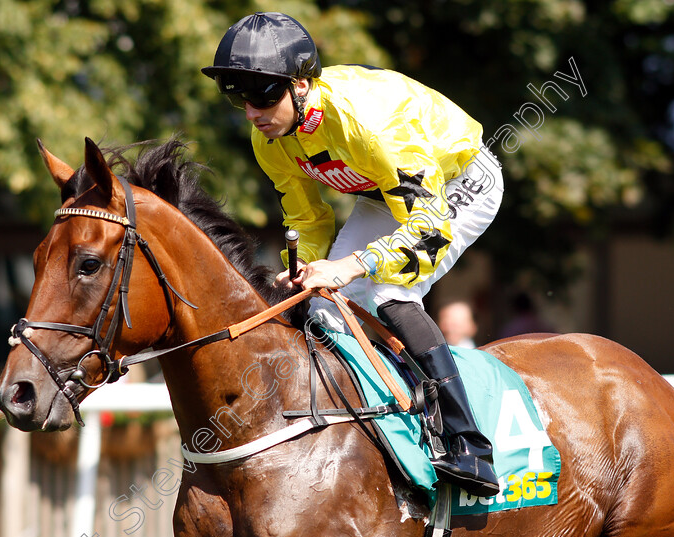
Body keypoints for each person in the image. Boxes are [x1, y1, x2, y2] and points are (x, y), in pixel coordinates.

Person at [202, 12, 504, 496]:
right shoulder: (269, 140)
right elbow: (308, 220)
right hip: (388, 197)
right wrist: (302, 270)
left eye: (263, 95)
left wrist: (349, 266)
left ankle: (469, 443)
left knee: (387, 288)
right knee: (321, 306)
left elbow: (428, 226)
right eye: (238, 96)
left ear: (301, 85)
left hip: (458, 183)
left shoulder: (372, 123)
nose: (252, 112)